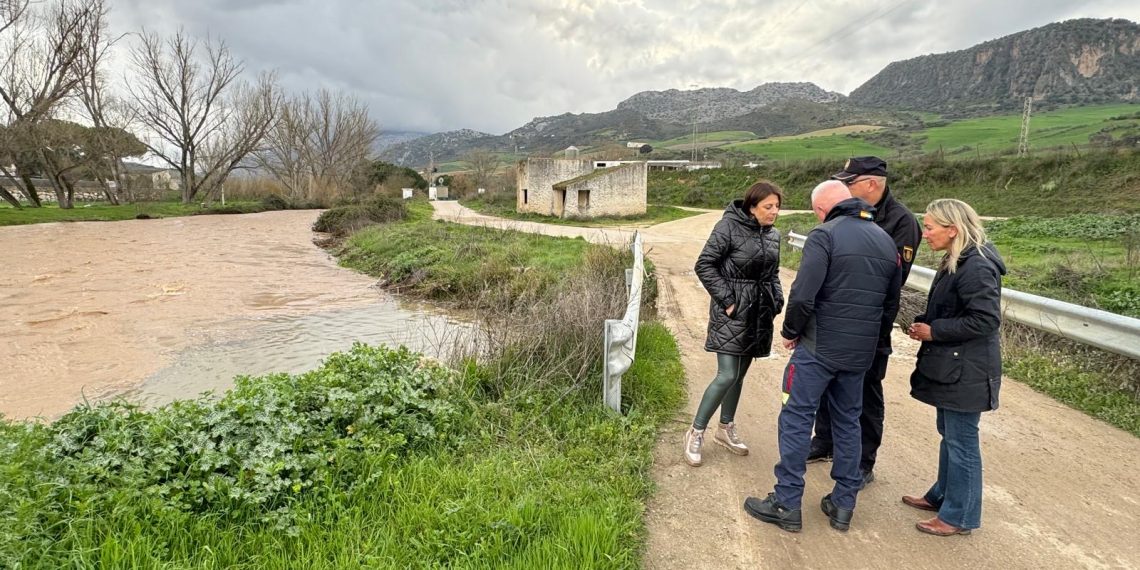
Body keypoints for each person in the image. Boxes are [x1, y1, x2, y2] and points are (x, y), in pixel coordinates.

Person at [743, 180, 901, 533]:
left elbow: (803, 294)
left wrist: (790, 331)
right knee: (848, 421)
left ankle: (786, 502)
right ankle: (844, 503)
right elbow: (890, 305)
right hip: (859, 353)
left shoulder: (824, 235)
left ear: (821, 209)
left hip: (818, 348)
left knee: (796, 417)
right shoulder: (885, 240)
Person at [807, 156, 922, 489]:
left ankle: (863, 460)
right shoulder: (844, 216)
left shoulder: (901, 222)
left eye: (850, 182)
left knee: (867, 392)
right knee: (827, 383)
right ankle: (824, 440)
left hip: (870, 326)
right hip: (833, 322)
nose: (844, 188)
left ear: (872, 183)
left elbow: (892, 283)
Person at [903, 198, 1006, 536]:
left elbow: (985, 320)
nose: (924, 233)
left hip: (968, 371)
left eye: (930, 227)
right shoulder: (957, 258)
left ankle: (959, 516)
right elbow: (955, 309)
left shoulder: (976, 266)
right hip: (954, 366)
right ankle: (943, 496)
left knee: (962, 442)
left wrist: (935, 331)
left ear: (953, 229)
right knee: (950, 436)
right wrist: (925, 323)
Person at [683, 180, 784, 467]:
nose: (774, 212)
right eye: (768, 207)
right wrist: (728, 300)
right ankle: (696, 431)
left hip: (759, 315)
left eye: (777, 206)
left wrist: (777, 300)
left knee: (739, 376)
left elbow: (773, 273)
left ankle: (725, 428)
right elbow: (705, 264)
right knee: (726, 374)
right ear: (752, 207)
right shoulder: (728, 226)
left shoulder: (773, 235)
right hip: (732, 313)